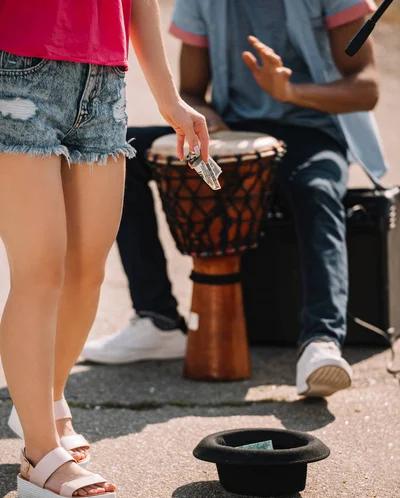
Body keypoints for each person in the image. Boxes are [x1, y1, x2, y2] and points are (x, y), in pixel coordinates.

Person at [83, 0, 386, 398]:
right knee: (123, 152)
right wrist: (210, 118)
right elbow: (193, 91)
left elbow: (366, 88)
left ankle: (321, 343)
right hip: (233, 128)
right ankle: (157, 319)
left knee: (317, 192)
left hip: (311, 130)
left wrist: (290, 91)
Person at [0, 0, 208, 498]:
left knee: (87, 269)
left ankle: (44, 404)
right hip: (15, 71)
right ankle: (41, 454)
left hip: (103, 81)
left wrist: (169, 100)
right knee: (40, 269)